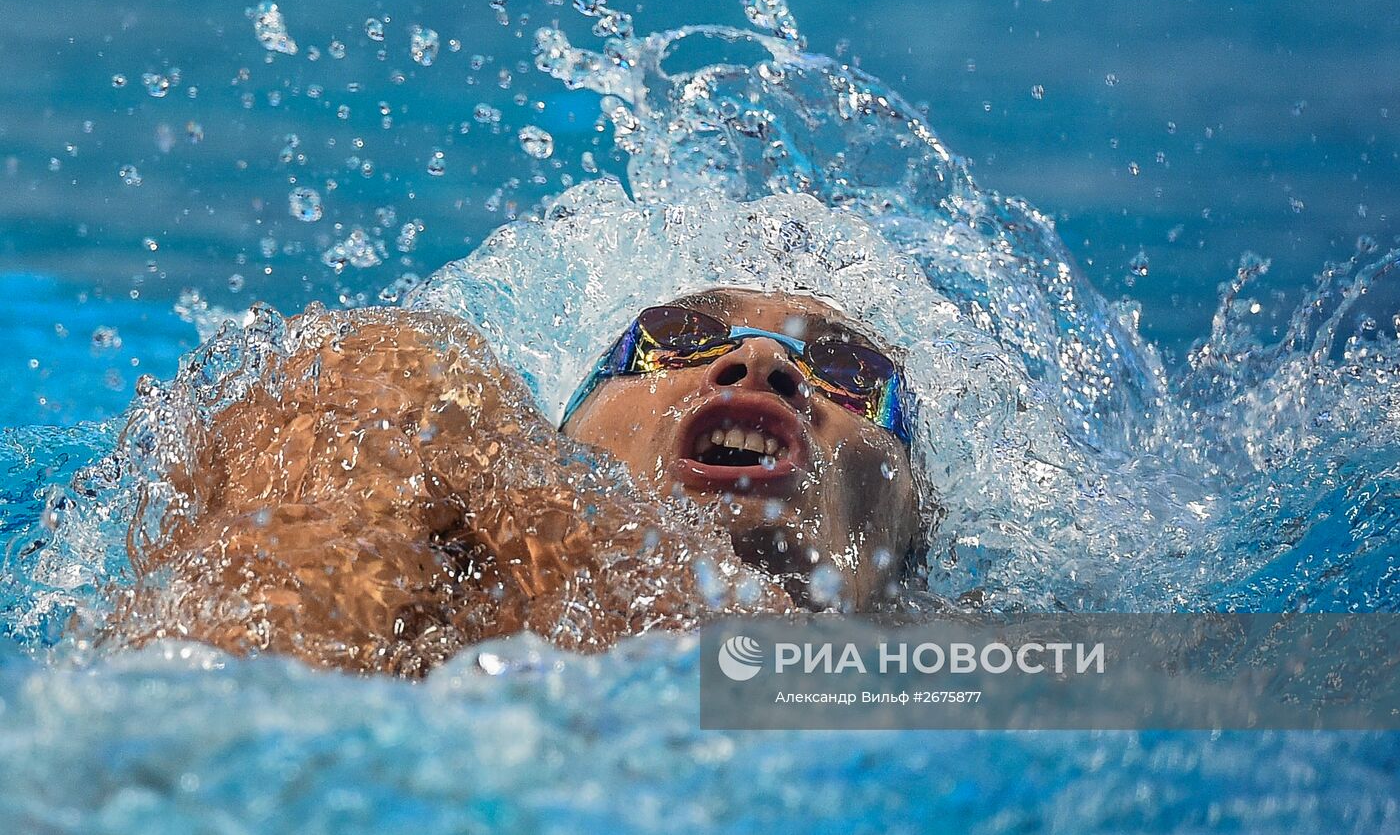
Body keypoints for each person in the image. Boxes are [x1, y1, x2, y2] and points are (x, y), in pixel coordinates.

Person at [110, 287, 922, 675]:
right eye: (676, 336)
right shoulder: (424, 459)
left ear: (911, 527)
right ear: (563, 432)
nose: (762, 358)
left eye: (851, 370)